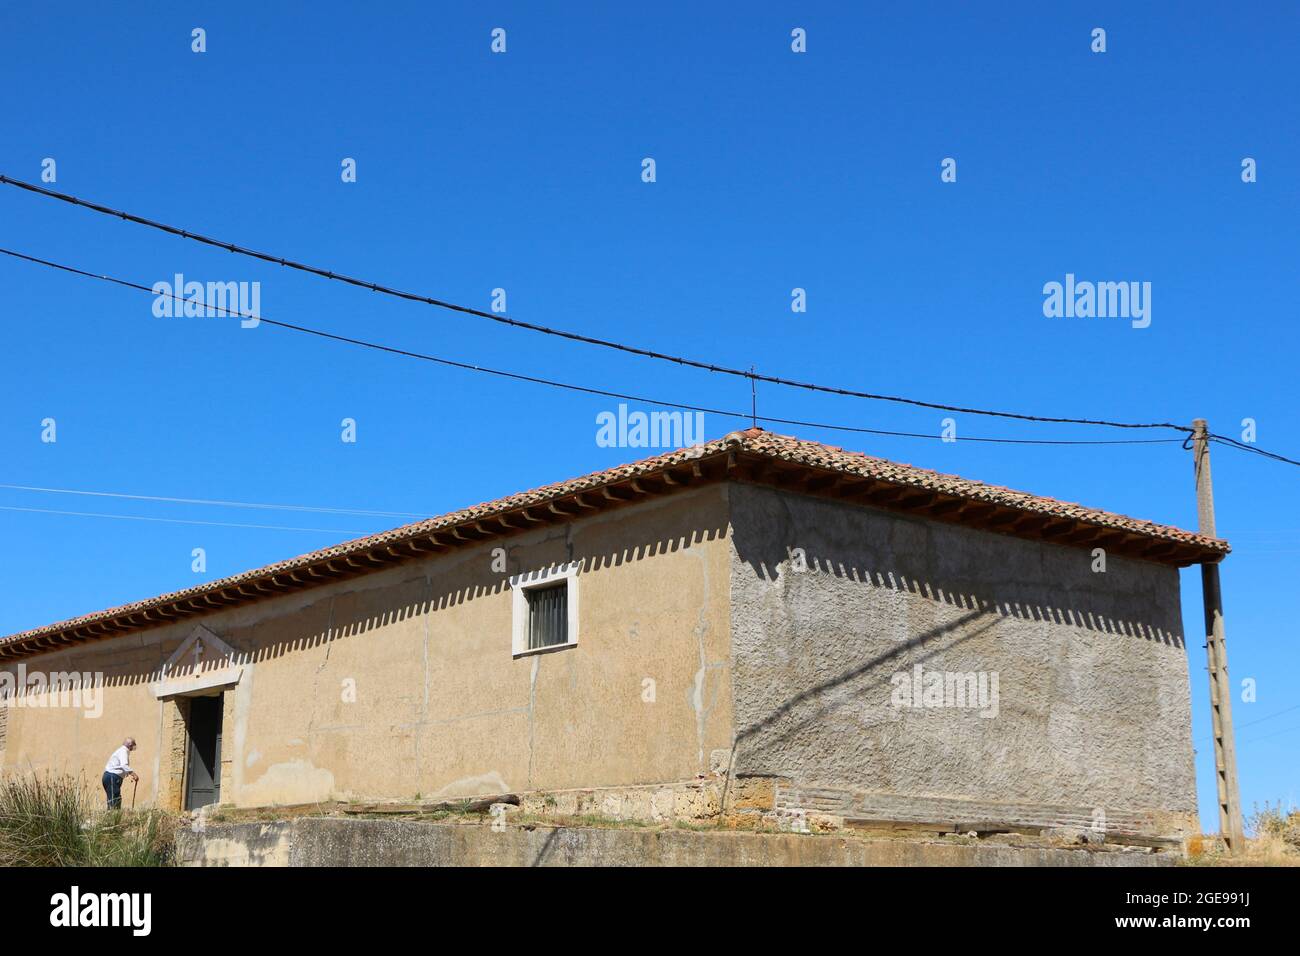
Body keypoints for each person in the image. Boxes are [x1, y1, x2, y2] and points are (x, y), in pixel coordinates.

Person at [103, 737, 139, 809]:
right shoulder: (123, 751)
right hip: (112, 776)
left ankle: (113, 816)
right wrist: (133, 774)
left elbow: (120, 766)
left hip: (110, 776)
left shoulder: (121, 751)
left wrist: (128, 773)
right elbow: (124, 765)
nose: (133, 748)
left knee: (113, 798)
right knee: (114, 800)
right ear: (130, 744)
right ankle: (114, 817)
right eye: (133, 745)